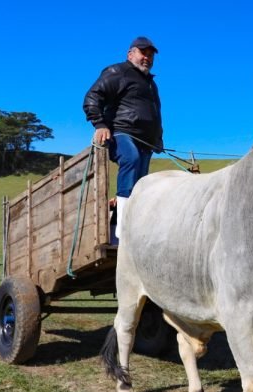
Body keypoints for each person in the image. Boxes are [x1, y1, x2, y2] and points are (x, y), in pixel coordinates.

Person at [83, 36, 163, 242]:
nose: (147, 57)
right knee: (131, 159)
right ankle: (123, 230)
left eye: (151, 54)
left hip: (145, 141)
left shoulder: (151, 84)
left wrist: (158, 138)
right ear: (130, 54)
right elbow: (93, 97)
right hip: (120, 132)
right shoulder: (117, 71)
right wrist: (100, 124)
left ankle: (116, 233)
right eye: (143, 52)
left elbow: (155, 113)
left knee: (140, 185)